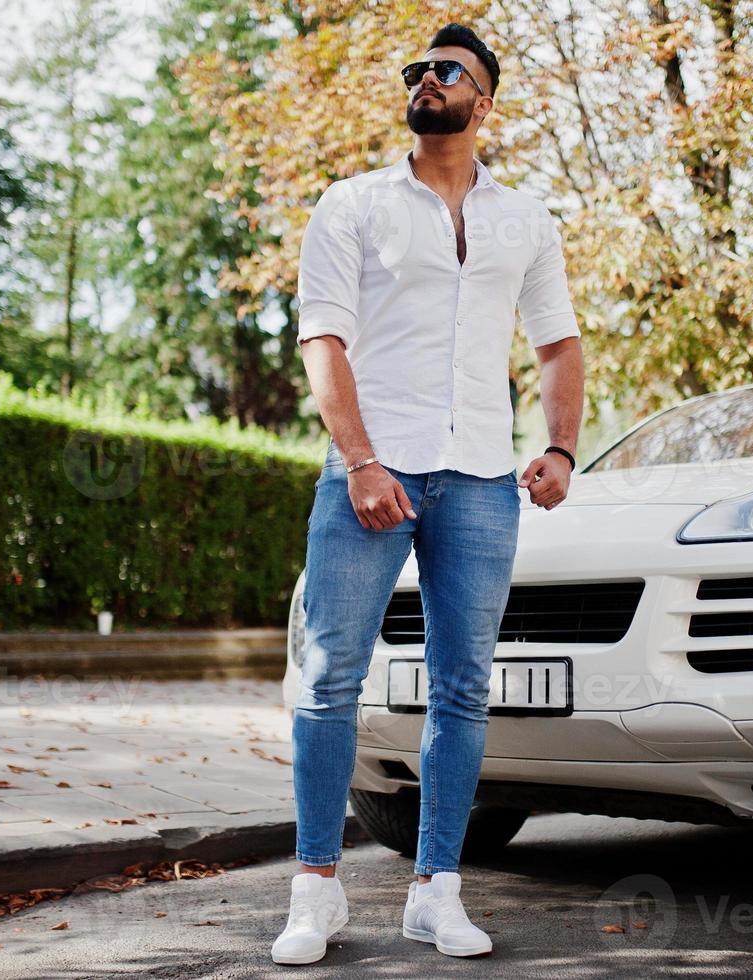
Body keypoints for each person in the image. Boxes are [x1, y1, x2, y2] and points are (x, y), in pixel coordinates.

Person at [270, 22, 585, 966]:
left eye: (446, 71)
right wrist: (361, 460)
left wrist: (560, 447)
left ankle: (435, 890)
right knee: (330, 680)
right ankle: (314, 892)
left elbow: (557, 343)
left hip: (484, 480)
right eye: (417, 70)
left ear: (482, 102)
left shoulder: (525, 220)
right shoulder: (354, 204)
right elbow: (321, 339)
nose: (426, 79)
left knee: (462, 691)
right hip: (373, 472)